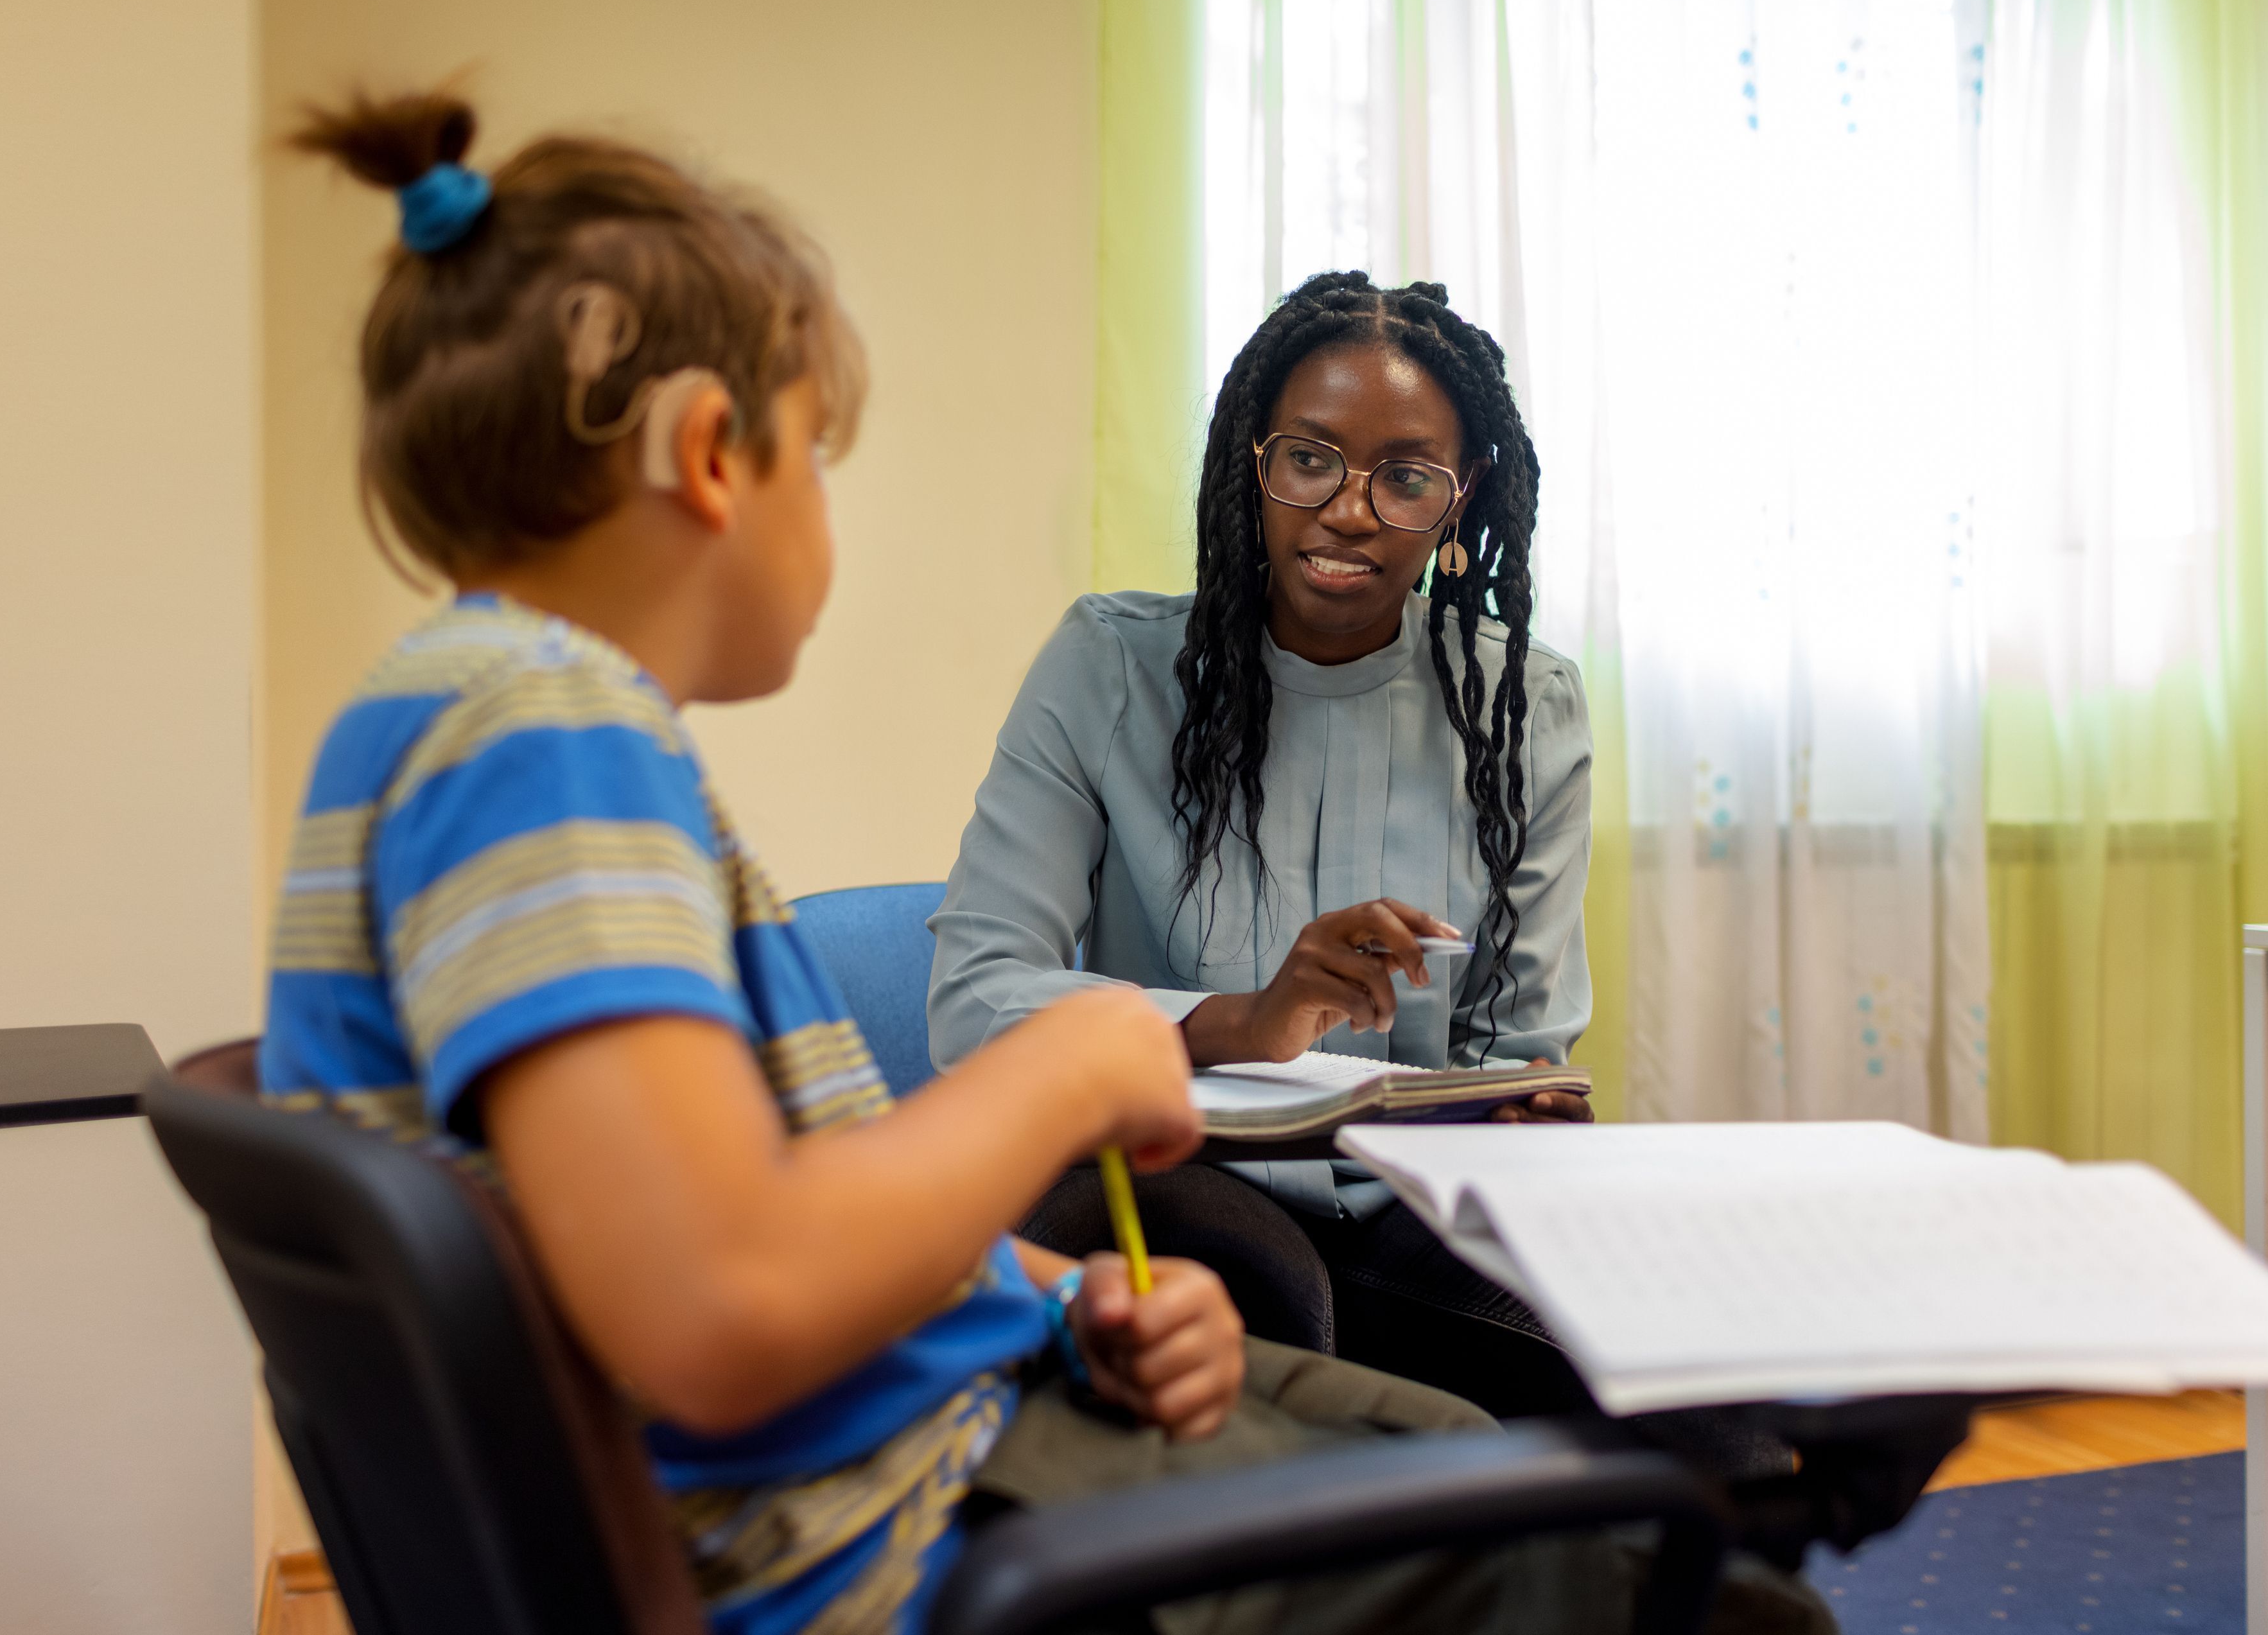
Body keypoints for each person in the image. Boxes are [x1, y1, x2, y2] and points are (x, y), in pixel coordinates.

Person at [257, 94, 1827, 1635]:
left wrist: (1055, 1292)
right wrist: (1082, 1063)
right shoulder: (541, 741)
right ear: (711, 454)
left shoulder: (485, 724)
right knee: (1683, 1590)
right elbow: (720, 1309)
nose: (828, 515)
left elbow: (729, 1210)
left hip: (938, 1420)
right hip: (903, 1519)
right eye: (822, 455)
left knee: (1473, 1455)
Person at [930, 272, 1614, 1421]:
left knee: (1652, 1371)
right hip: (1164, 1172)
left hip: (1411, 1210)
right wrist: (1241, 1022)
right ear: (1253, 462)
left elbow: (1520, 1043)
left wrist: (1521, 1110)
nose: (1349, 509)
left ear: (1461, 501)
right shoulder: (1108, 670)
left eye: (1405, 477)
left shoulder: (1525, 710)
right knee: (1252, 1290)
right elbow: (974, 996)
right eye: (1310, 458)